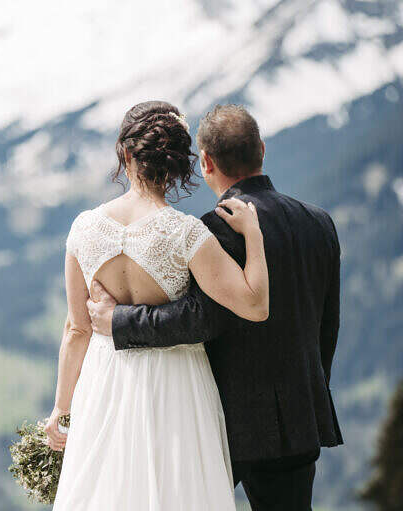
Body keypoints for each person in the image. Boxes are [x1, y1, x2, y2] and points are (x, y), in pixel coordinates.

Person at [86, 104, 343, 511]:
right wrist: (308, 393)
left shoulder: (216, 226)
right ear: (261, 149)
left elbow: (200, 317)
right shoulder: (319, 222)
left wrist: (119, 320)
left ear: (205, 162)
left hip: (224, 420)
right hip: (300, 418)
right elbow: (328, 324)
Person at [46, 100, 269, 510]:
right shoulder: (186, 233)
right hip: (175, 385)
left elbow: (76, 329)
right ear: (176, 164)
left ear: (126, 154)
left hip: (105, 381)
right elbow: (255, 304)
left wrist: (61, 408)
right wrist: (253, 234)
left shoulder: (83, 229)